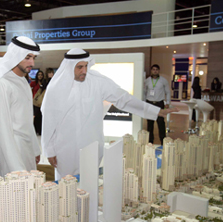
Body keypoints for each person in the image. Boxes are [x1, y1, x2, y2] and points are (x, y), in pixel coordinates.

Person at [42, 49, 178, 179]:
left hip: (91, 145)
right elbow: (48, 121)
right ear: (69, 67)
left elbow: (124, 99)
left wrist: (157, 111)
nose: (84, 71)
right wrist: (49, 150)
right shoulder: (55, 88)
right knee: (65, 188)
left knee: (89, 186)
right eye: (79, 67)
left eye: (86, 66)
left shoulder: (97, 82)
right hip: (65, 149)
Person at [0, 36, 41, 176]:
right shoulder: (3, 84)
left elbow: (28, 120)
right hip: (12, 149)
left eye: (33, 58)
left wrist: (35, 149)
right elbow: (2, 128)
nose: (32, 63)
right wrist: (15, 166)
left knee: (30, 192)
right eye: (27, 57)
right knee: (14, 194)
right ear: (15, 56)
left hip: (26, 146)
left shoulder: (23, 81)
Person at [144, 64, 171, 144]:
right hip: (149, 103)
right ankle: (150, 142)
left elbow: (168, 92)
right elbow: (144, 92)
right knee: (150, 124)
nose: (155, 71)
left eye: (156, 69)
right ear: (151, 71)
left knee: (161, 123)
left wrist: (168, 102)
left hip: (159, 104)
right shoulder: (147, 80)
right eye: (153, 69)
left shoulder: (163, 80)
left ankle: (163, 142)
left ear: (158, 71)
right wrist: (143, 102)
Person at [32, 70, 45, 135]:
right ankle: (36, 130)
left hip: (42, 102)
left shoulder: (44, 83)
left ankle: (40, 131)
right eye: (39, 75)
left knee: (41, 117)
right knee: (35, 117)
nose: (40, 76)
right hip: (35, 102)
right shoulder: (33, 83)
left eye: (41, 75)